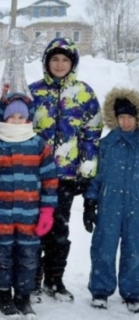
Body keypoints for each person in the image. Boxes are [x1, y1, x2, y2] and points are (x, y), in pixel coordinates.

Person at [29, 37, 102, 302]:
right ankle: (32, 281)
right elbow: (17, 127)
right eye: (55, 59)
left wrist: (86, 170)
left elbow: (92, 135)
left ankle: (54, 280)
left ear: (73, 63)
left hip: (66, 176)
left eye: (65, 60)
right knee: (35, 229)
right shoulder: (33, 92)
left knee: (59, 231)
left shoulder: (84, 94)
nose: (59, 64)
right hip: (35, 175)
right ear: (46, 62)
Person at [0, 92, 58, 320]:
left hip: (30, 216)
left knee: (28, 257)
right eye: (12, 117)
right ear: (4, 117)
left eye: (21, 117)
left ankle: (23, 296)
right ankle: (3, 295)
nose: (17, 121)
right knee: (1, 256)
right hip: (0, 215)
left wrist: (47, 212)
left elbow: (50, 181)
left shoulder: (39, 145)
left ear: (28, 118)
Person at [84, 88, 139, 313]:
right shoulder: (107, 144)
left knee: (134, 249)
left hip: (136, 206)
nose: (125, 122)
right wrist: (90, 202)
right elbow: (97, 176)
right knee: (103, 247)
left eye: (130, 117)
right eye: (121, 117)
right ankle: (101, 289)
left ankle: (133, 291)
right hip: (110, 204)